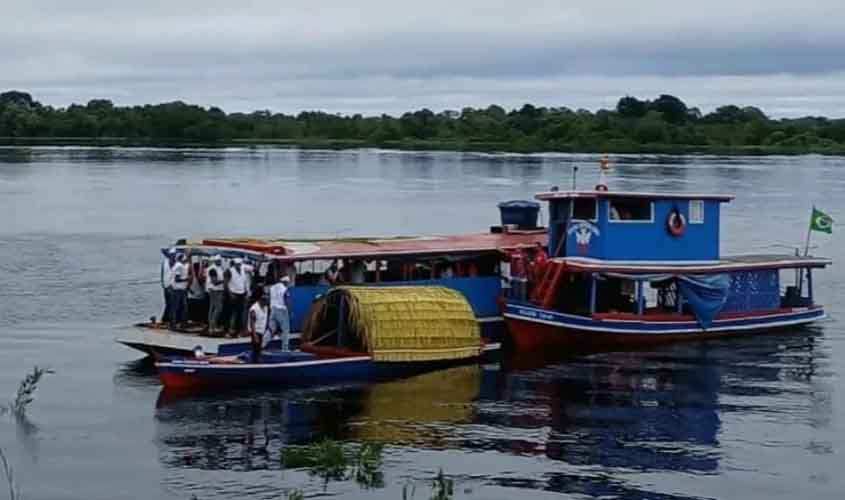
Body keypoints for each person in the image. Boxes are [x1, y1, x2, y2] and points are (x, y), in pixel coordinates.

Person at [269, 275, 292, 351]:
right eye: (288, 283)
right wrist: (289, 311)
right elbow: (287, 301)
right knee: (286, 329)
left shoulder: (272, 287)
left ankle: (261, 345)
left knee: (271, 329)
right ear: (285, 282)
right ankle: (285, 349)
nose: (288, 284)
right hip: (282, 310)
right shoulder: (285, 289)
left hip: (273, 310)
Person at [227, 258, 248, 337]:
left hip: (242, 293)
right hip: (234, 294)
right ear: (234, 264)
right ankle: (231, 329)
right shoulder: (230, 270)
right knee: (234, 313)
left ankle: (241, 330)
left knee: (242, 312)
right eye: (237, 264)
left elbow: (244, 281)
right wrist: (230, 293)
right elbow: (226, 283)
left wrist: (246, 291)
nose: (239, 266)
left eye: (240, 264)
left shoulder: (243, 269)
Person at [169, 253, 190, 330]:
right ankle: (174, 324)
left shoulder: (176, 266)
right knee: (177, 307)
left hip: (180, 289)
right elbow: (177, 279)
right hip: (178, 289)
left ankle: (180, 323)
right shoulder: (179, 266)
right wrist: (187, 279)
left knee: (180, 307)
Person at [206, 255, 225, 334]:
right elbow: (214, 282)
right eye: (218, 260)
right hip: (214, 290)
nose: (220, 262)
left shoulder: (220, 268)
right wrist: (225, 280)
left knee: (213, 308)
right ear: (215, 261)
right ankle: (212, 326)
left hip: (218, 290)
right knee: (218, 308)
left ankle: (211, 326)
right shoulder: (212, 268)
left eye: (220, 260)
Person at [248, 294, 270, 362]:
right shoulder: (254, 309)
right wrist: (255, 335)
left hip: (262, 331)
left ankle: (257, 360)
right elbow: (252, 323)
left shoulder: (265, 306)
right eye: (266, 302)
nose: (267, 304)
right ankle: (254, 362)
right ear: (261, 301)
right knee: (256, 349)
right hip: (256, 331)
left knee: (259, 348)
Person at [160, 248, 176, 323]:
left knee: (170, 304)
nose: (173, 256)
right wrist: (164, 284)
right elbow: (163, 274)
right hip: (168, 286)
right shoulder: (167, 262)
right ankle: (169, 319)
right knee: (171, 304)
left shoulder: (166, 261)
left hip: (168, 285)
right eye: (172, 255)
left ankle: (166, 319)